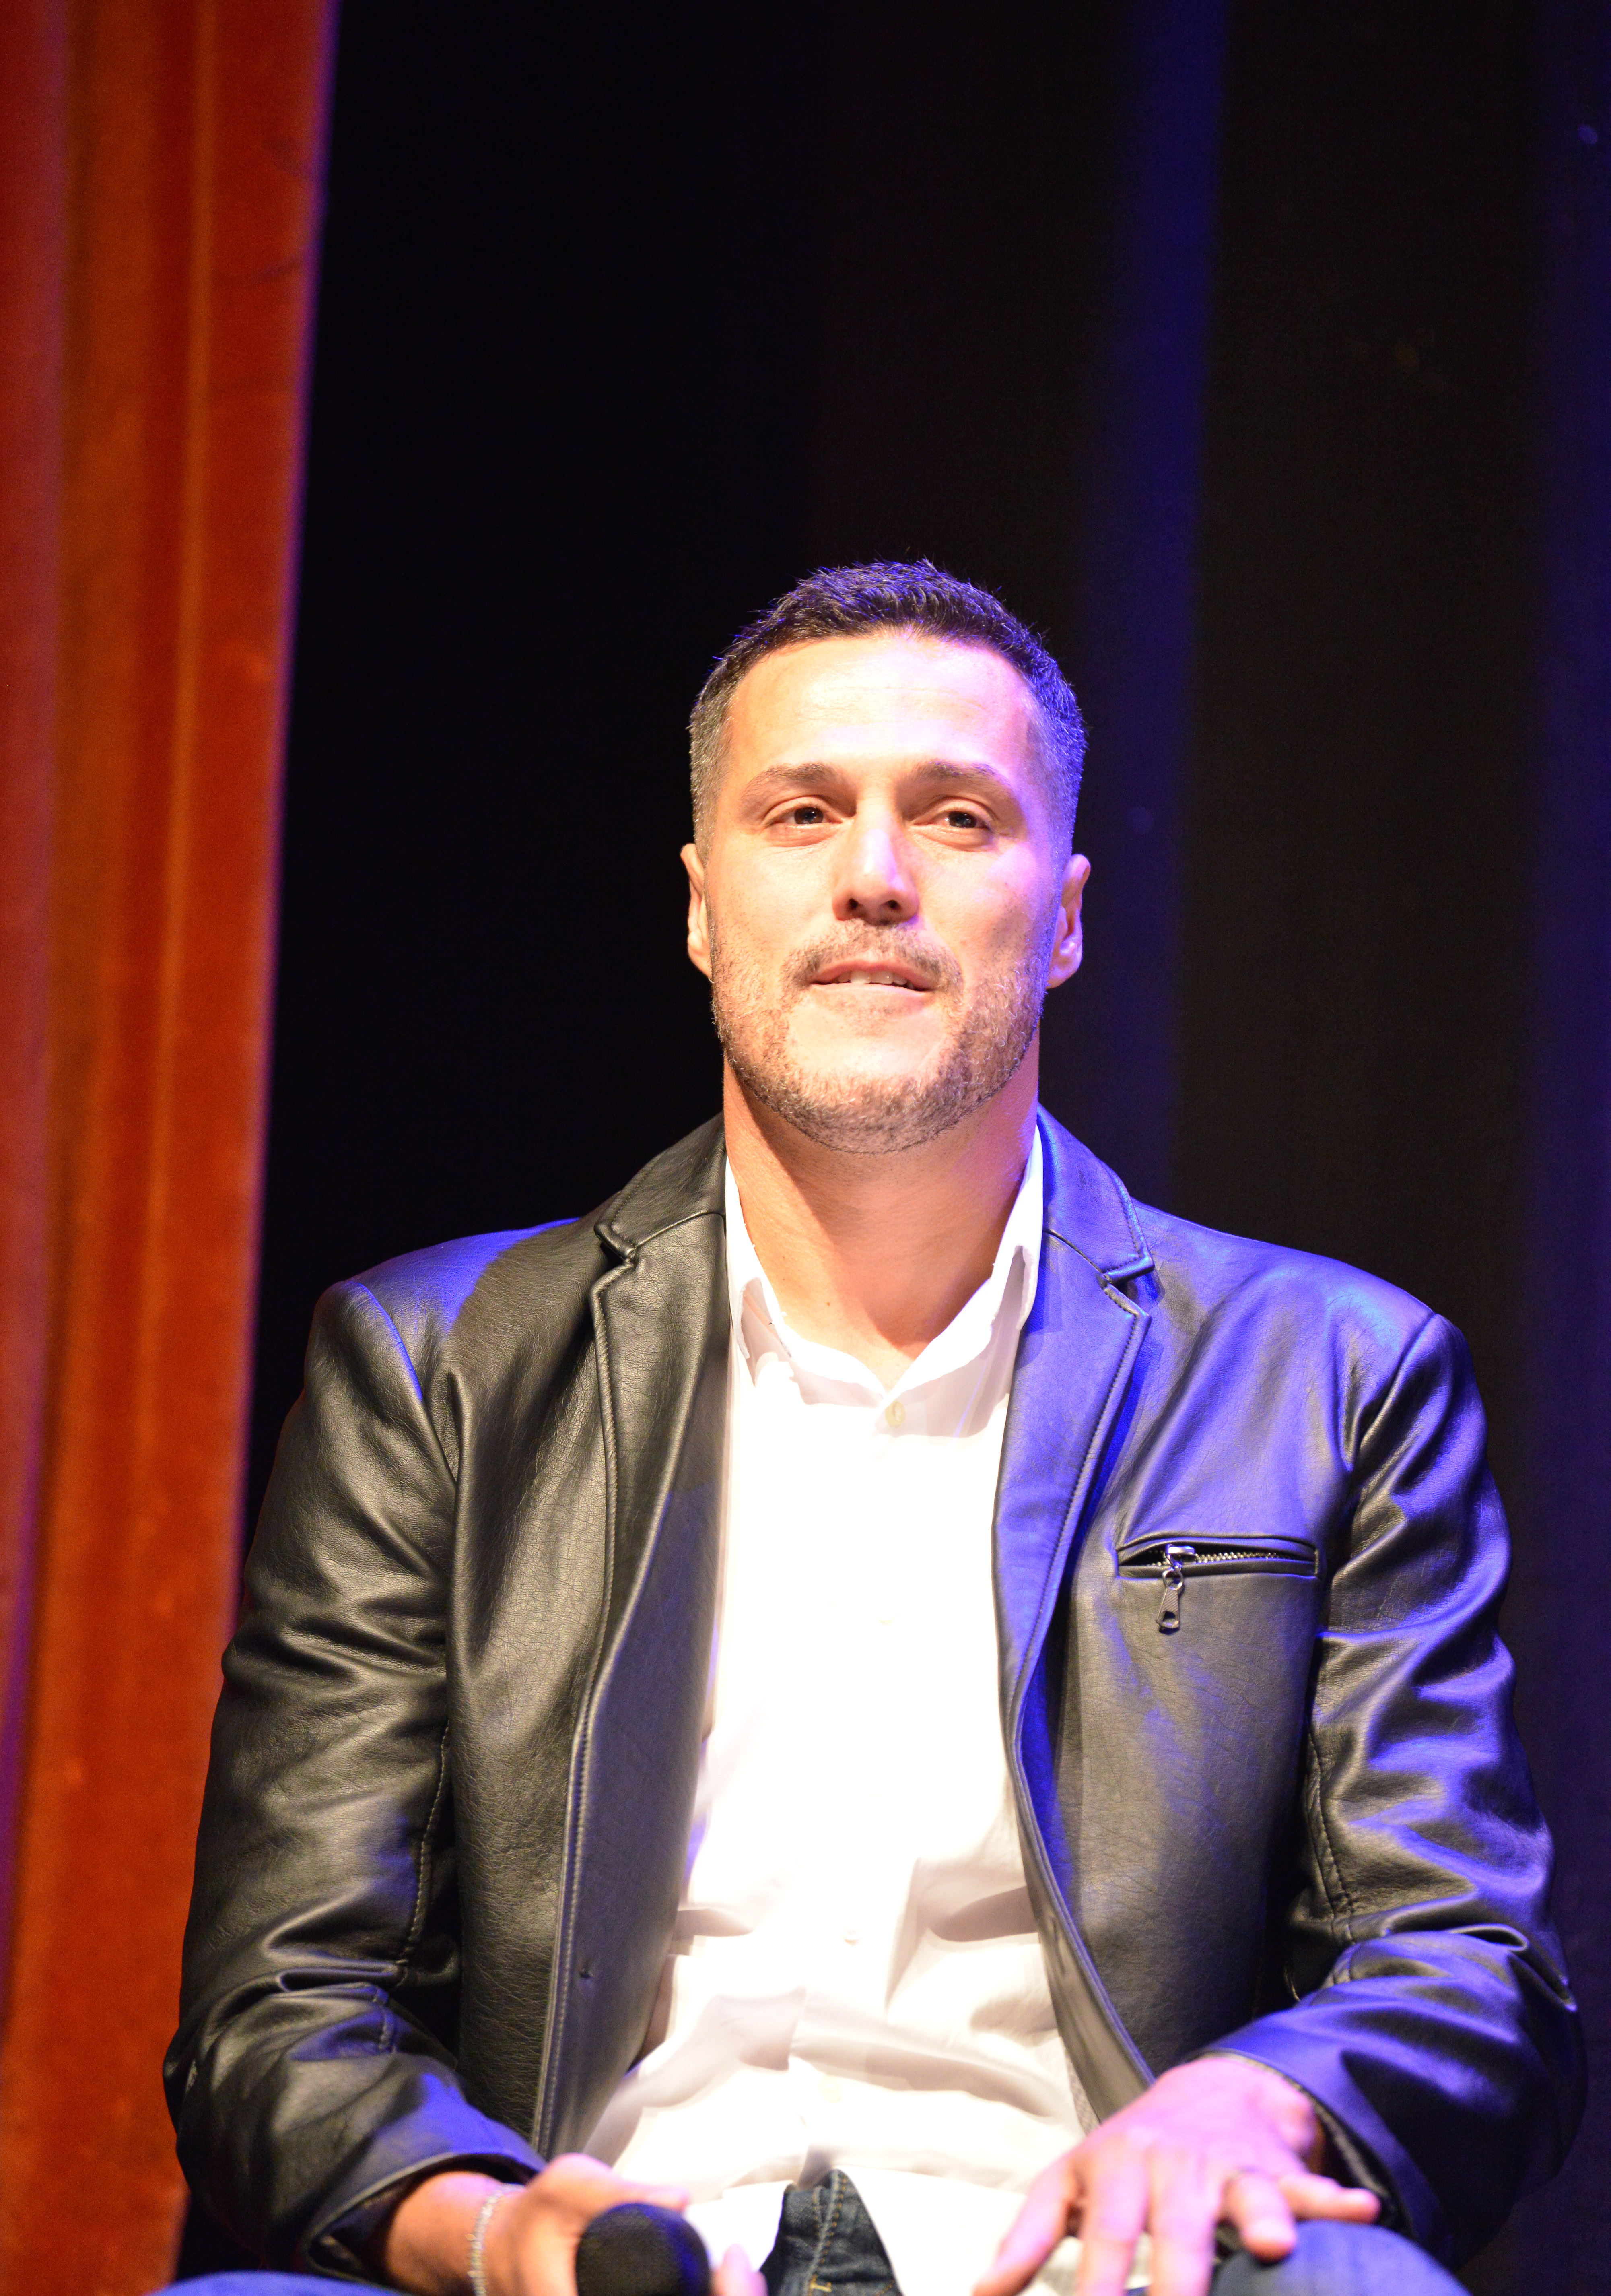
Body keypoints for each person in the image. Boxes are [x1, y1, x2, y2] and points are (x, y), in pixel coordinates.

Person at [165, 564, 1582, 2296]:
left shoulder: (1331, 1374)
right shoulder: (435, 1367)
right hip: (614, 2257)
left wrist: (1258, 2104)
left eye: (956, 816)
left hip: (1093, 2258)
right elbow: (280, 2008)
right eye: (802, 812)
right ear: (703, 906)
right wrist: (485, 2225)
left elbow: (1463, 1967)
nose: (875, 876)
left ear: (1064, 918)